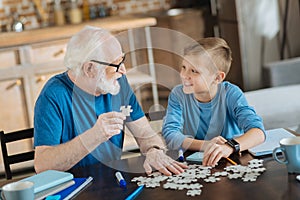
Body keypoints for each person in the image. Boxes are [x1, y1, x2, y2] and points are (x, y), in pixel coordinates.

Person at [34, 26, 187, 176]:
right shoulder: (53, 95)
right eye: (116, 64)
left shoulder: (117, 84)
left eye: (123, 60)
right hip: (74, 188)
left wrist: (154, 150)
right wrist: (94, 136)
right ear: (89, 69)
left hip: (112, 180)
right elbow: (42, 165)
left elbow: (145, 133)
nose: (123, 70)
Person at [162, 37, 265, 167]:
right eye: (183, 67)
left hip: (233, 160)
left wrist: (229, 146)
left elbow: (258, 133)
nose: (183, 75)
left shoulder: (231, 94)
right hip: (196, 163)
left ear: (217, 77)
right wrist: (206, 145)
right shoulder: (178, 95)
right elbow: (170, 135)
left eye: (194, 71)